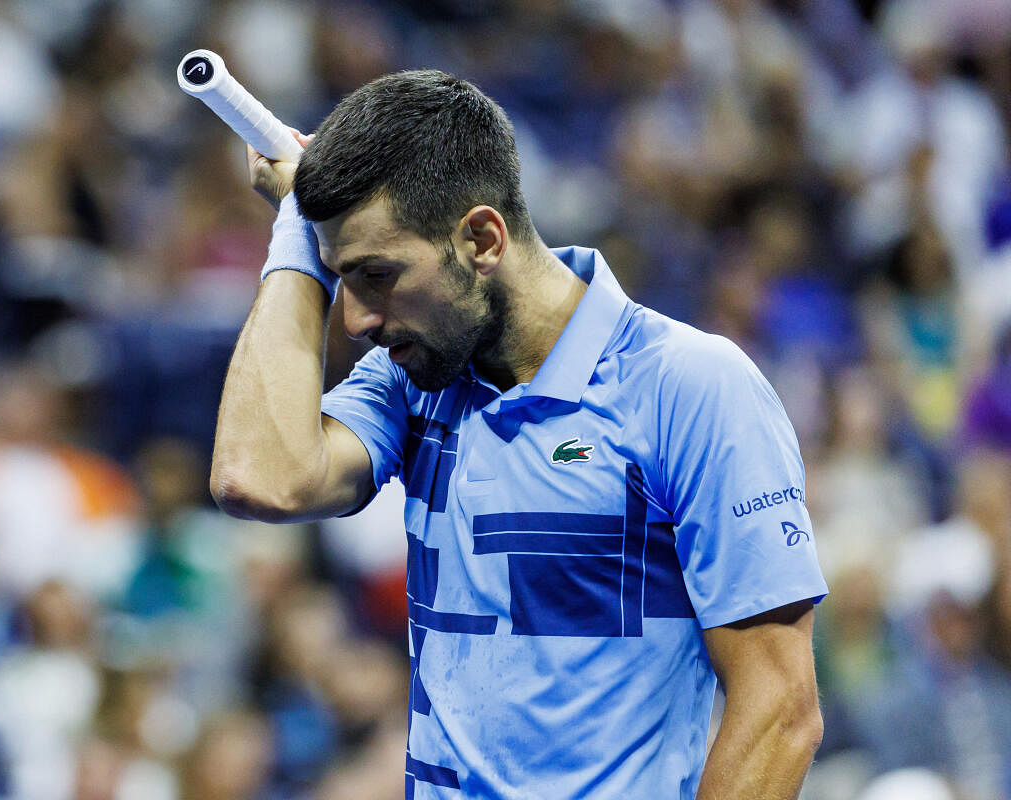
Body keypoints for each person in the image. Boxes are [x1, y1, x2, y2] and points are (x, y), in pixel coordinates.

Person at [210, 70, 828, 800]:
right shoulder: (415, 377)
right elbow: (259, 475)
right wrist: (295, 232)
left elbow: (780, 711)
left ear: (481, 238)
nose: (356, 321)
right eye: (342, 277)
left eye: (377, 275)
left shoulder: (688, 386)